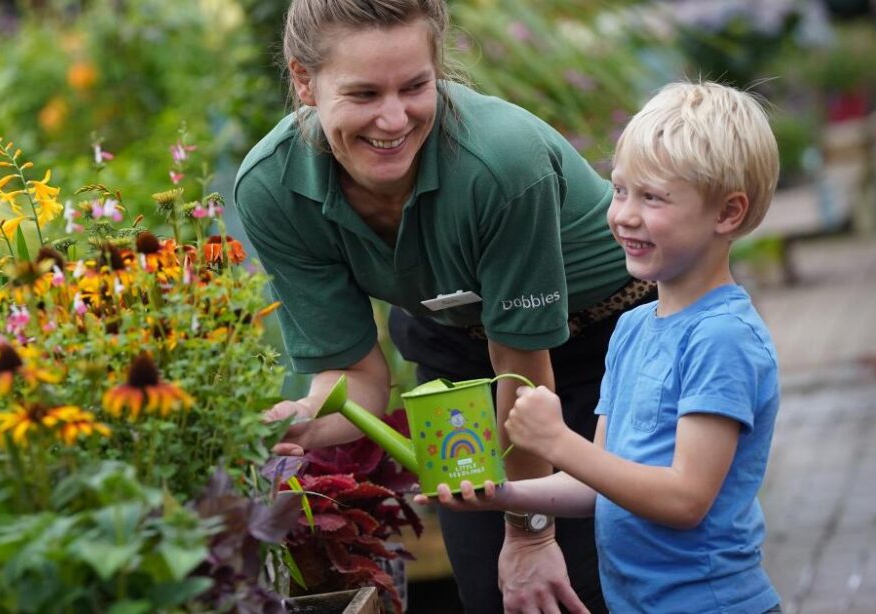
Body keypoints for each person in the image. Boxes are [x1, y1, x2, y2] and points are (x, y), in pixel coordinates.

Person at [233, 1, 656, 612]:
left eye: (414, 87)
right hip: (455, 350)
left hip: (604, 346)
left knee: (590, 587)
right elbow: (355, 377)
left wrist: (530, 533)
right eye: (363, 94)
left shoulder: (500, 162)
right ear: (304, 80)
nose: (393, 119)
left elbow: (522, 368)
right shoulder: (272, 188)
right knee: (490, 593)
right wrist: (306, 416)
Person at [419, 80, 783, 613]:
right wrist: (500, 495)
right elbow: (599, 484)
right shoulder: (632, 329)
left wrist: (557, 441)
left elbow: (685, 499)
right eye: (619, 190)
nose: (624, 215)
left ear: (727, 213)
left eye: (652, 197)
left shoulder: (722, 338)